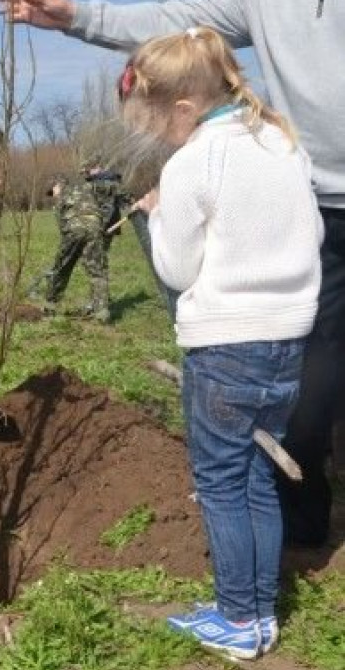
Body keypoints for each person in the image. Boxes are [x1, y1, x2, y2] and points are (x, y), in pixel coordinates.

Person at [0, 0, 345, 549]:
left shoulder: (202, 162)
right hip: (320, 196)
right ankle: (298, 525)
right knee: (310, 382)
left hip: (246, 315)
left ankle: (255, 577)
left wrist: (160, 221)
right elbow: (176, 19)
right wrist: (78, 15)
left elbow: (178, 267)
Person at [121, 27, 322, 659]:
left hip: (224, 348)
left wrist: (155, 218)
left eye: (152, 122)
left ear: (183, 107)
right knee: (257, 477)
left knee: (219, 484)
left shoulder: (191, 163)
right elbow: (312, 232)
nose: (153, 136)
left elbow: (178, 273)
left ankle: (237, 619)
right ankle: (258, 612)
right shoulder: (284, 142)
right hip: (288, 344)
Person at [29, 161, 124, 323]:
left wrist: (67, 254)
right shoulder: (87, 187)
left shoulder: (61, 199)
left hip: (74, 231)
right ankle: (102, 314)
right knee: (97, 271)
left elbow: (64, 227)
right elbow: (111, 187)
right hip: (95, 229)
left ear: (58, 185)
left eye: (53, 191)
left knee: (61, 270)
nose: (53, 195)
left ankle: (49, 309)